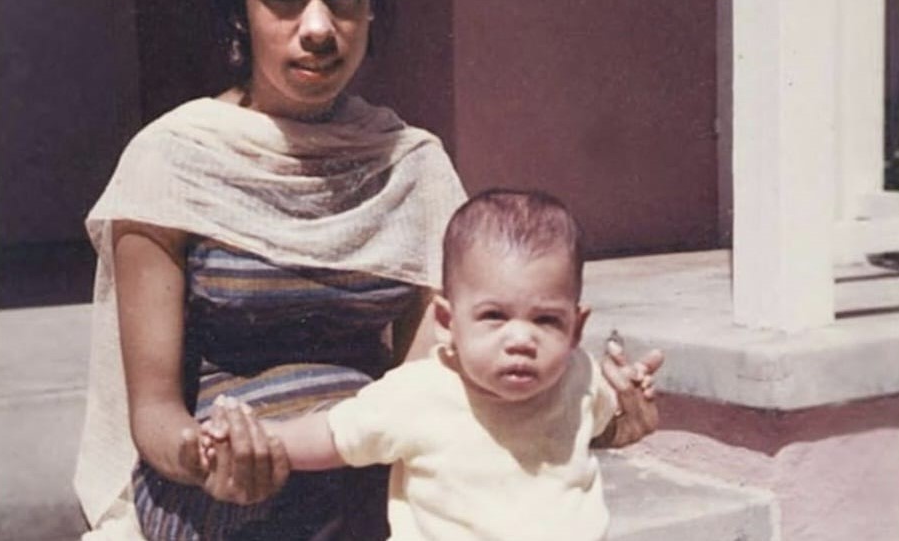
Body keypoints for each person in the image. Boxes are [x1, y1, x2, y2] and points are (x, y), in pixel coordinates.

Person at [72, 0, 662, 541]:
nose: (319, 26)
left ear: (372, 4)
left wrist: (607, 416)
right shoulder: (173, 162)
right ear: (239, 11)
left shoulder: (409, 165)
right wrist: (208, 459)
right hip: (222, 487)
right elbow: (152, 412)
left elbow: (444, 371)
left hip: (370, 472)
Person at [204, 189, 663, 540]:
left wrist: (629, 400)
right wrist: (256, 437)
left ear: (576, 328)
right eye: (494, 317)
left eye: (546, 320)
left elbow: (605, 425)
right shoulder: (418, 393)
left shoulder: (580, 377)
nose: (521, 339)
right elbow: (332, 436)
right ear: (447, 321)